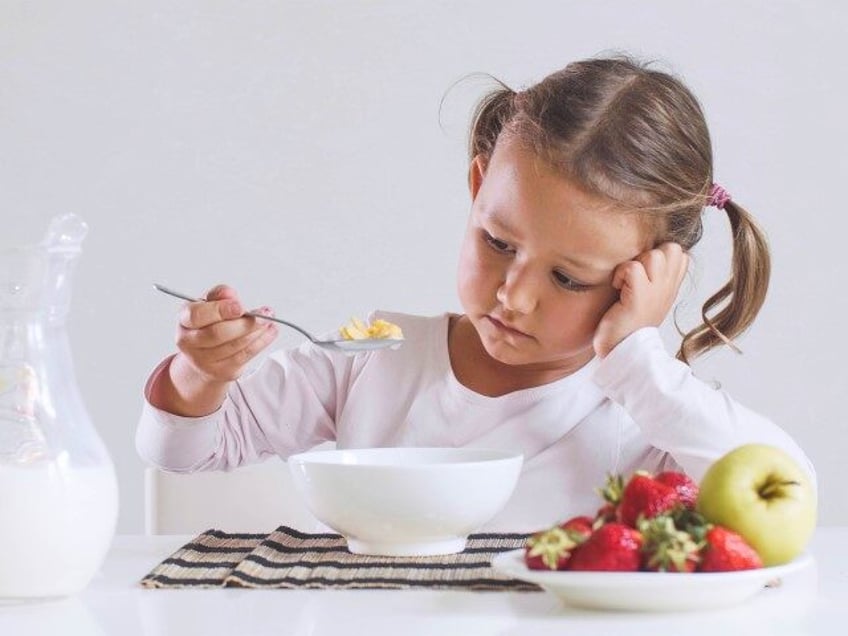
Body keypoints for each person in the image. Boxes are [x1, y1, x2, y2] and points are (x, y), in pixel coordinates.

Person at [136, 56, 815, 532]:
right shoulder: (375, 359)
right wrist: (201, 375)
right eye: (498, 243)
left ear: (645, 278)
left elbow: (791, 490)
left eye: (567, 278)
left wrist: (640, 362)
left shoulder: (643, 413)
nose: (514, 297)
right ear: (477, 187)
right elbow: (182, 453)